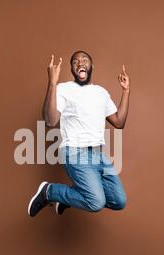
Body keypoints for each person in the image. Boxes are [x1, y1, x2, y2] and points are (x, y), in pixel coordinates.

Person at [28, 50, 130, 217]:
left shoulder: (101, 92)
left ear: (91, 66)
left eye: (84, 60)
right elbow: (50, 121)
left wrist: (126, 91)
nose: (80, 63)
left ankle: (66, 199)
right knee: (96, 202)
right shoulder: (63, 89)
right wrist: (52, 83)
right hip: (75, 152)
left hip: (98, 154)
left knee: (119, 201)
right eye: (75, 61)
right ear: (72, 69)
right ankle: (50, 191)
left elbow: (119, 122)